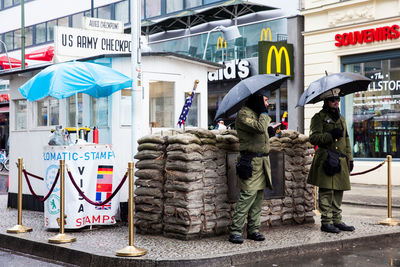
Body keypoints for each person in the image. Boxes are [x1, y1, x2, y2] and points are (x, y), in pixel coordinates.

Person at [307, 88, 355, 234]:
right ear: (327, 102)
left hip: (340, 159)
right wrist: (330, 135)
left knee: (339, 191)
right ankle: (326, 222)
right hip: (326, 158)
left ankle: (337, 220)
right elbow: (313, 138)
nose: (336, 102)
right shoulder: (318, 118)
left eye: (337, 100)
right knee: (326, 191)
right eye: (333, 100)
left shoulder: (342, 119)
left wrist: (350, 158)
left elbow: (346, 139)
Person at [229, 92, 274, 244]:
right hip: (251, 161)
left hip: (262, 161)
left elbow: (260, 133)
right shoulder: (243, 114)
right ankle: (235, 231)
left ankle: (253, 230)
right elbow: (260, 127)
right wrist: (263, 113)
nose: (267, 104)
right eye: (265, 100)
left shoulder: (255, 113)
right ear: (258, 100)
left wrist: (270, 133)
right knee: (247, 196)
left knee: (258, 198)